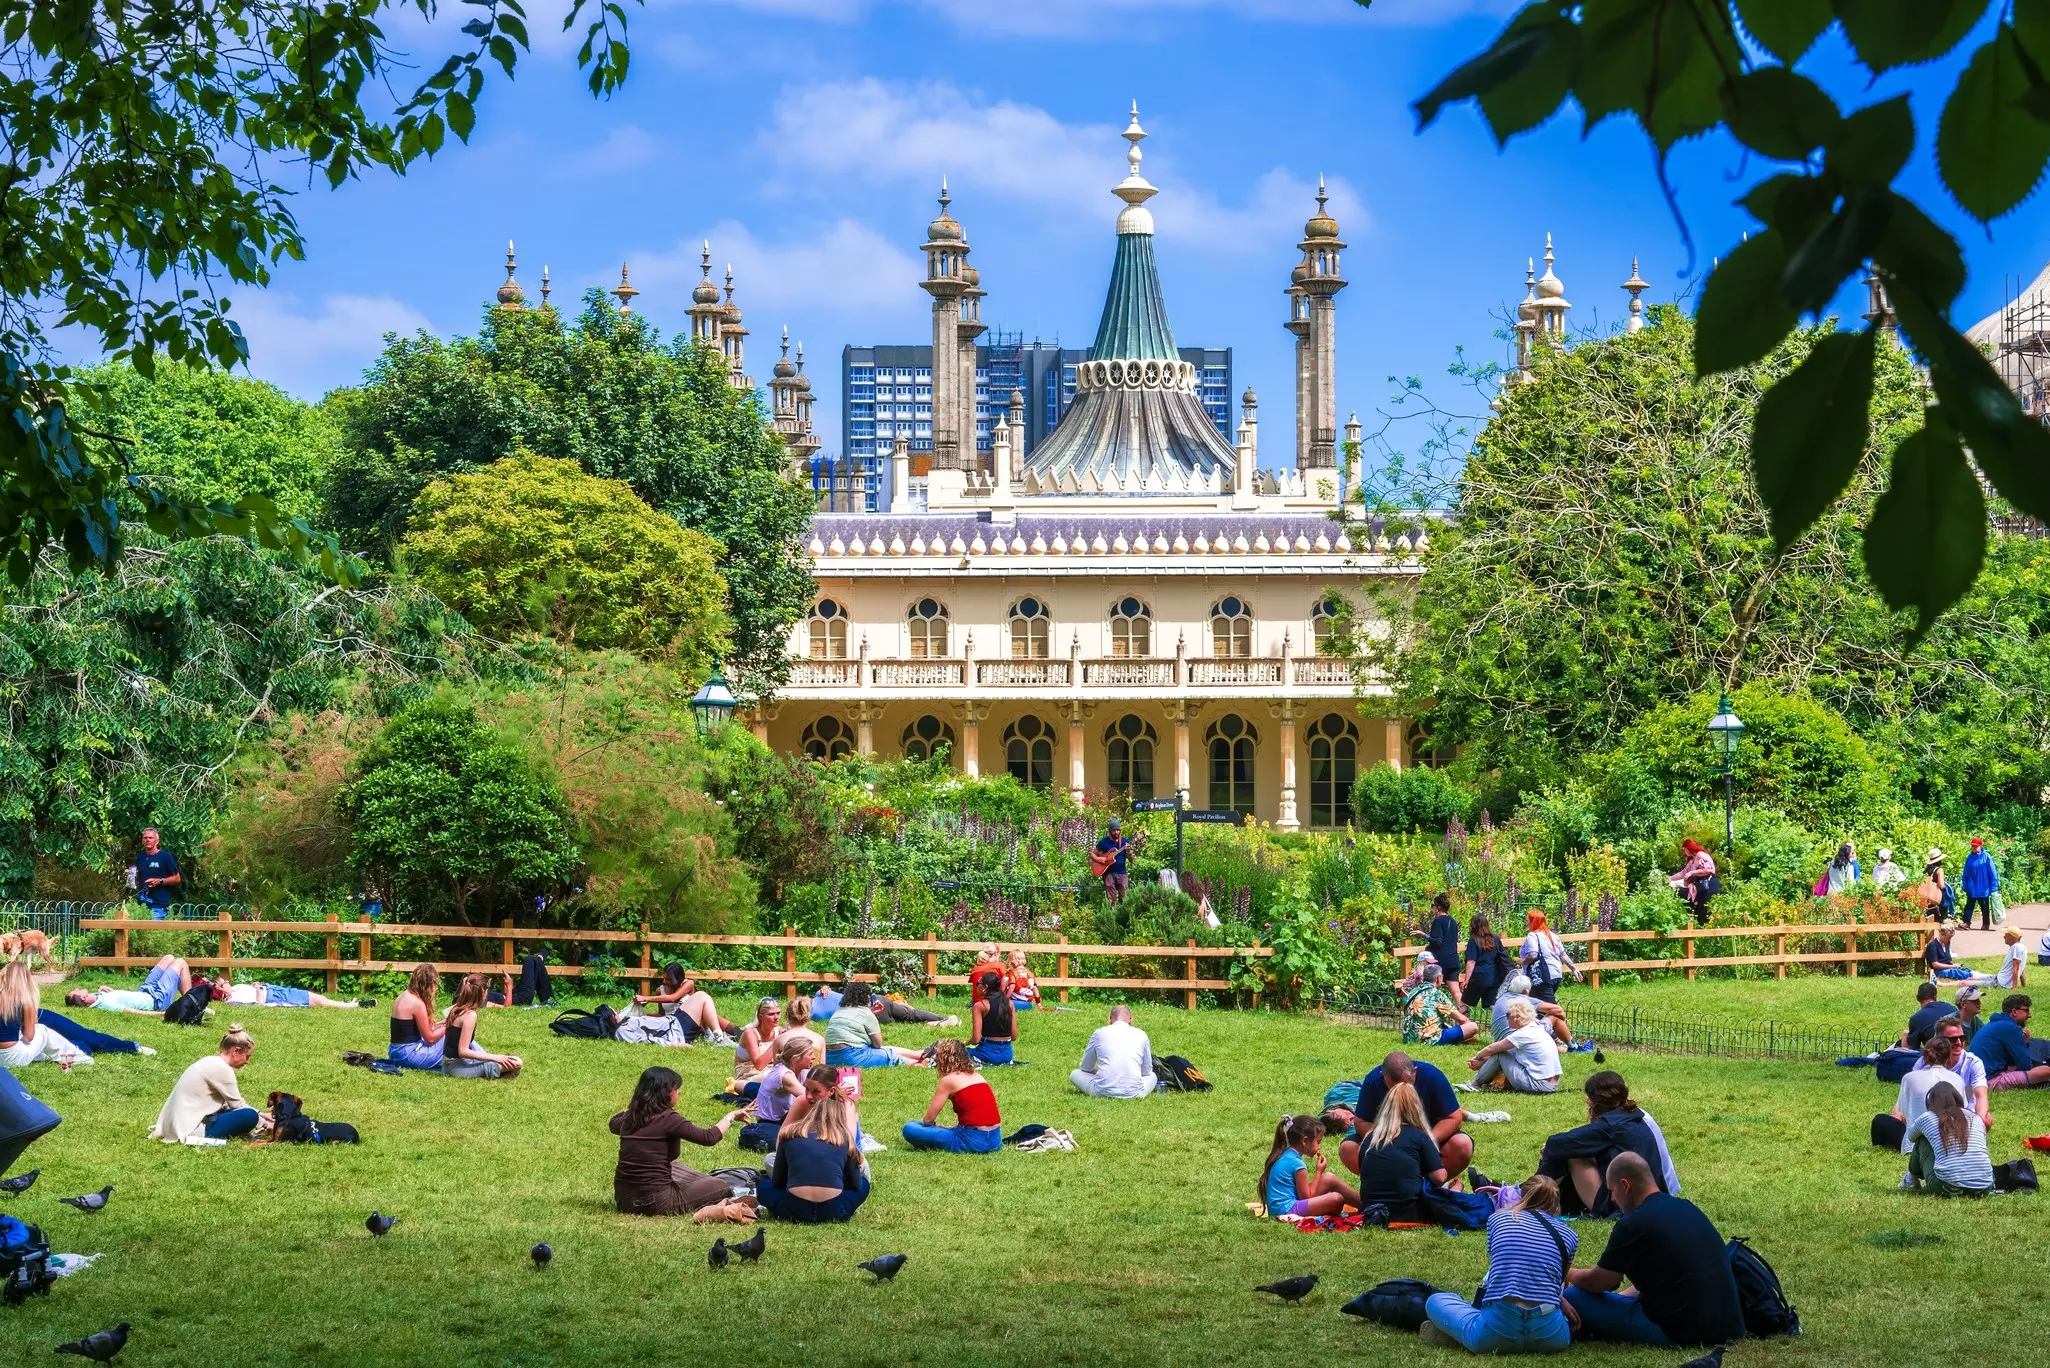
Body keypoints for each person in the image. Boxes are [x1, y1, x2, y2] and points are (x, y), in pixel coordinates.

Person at [1564, 1153, 1745, 1348]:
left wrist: (1567, 1272)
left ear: (1625, 1185)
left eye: (1612, 1191)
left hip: (1683, 1332)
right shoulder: (1686, 1208)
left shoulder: (1633, 1223)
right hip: (1729, 1326)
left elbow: (1600, 1282)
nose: (1613, 1199)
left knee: (1573, 1297)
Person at [1420, 1175, 1577, 1354]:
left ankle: (1462, 1334)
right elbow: (1560, 1285)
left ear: (1521, 1197)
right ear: (1557, 1205)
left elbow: (1502, 1267)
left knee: (1435, 1301)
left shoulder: (1499, 1219)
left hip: (1497, 1330)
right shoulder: (1569, 1235)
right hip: (1552, 1337)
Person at [608, 1065, 754, 1221]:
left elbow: (612, 1124)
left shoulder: (630, 1118)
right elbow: (709, 1137)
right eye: (676, 1089)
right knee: (720, 1186)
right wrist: (730, 1116)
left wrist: (638, 1105)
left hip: (624, 1200)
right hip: (657, 1202)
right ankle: (702, 1186)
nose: (678, 1093)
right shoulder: (669, 1119)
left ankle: (699, 1182)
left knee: (675, 1166)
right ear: (666, 1093)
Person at [1537, 1072, 1675, 1217]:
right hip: (1651, 1196)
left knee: (1570, 1152)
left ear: (1594, 1100)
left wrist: (1549, 1149)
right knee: (1574, 1148)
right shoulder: (1634, 1115)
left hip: (1620, 1203)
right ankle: (1533, 1193)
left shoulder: (1609, 1126)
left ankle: (1529, 1194)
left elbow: (1559, 1143)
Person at [1343, 1051, 1472, 1183]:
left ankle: (1429, 1189)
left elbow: (1454, 1118)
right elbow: (1361, 1122)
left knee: (1462, 1144)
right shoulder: (1373, 1081)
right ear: (1383, 1077)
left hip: (1429, 1139)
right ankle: (1388, 1185)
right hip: (1388, 1143)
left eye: (1408, 1085)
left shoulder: (1433, 1076)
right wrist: (1389, 1140)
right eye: (1395, 1088)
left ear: (1415, 1071)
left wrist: (1426, 1142)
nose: (1403, 1092)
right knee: (1348, 1149)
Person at [760, 1089, 870, 1223]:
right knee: (864, 1184)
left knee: (763, 1185)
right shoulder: (846, 1140)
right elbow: (856, 1185)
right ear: (840, 1117)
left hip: (794, 1208)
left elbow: (777, 1182)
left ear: (812, 1113)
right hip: (834, 1210)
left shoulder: (789, 1135)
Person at [151, 1024, 269, 1144]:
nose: (247, 1062)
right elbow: (237, 1105)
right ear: (236, 1051)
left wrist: (262, 1114)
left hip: (176, 1125)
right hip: (190, 1130)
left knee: (246, 1114)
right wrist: (264, 1123)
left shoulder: (210, 1061)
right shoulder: (222, 1068)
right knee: (249, 1116)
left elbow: (227, 1104)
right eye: (247, 1056)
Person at [1352, 1082, 1448, 1222]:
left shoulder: (1370, 1139)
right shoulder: (1419, 1137)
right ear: (1416, 1108)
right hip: (1409, 1212)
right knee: (1449, 1194)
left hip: (1372, 1210)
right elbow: (1439, 1177)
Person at [902, 1039, 1003, 1153]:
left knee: (910, 1128)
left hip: (972, 1141)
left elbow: (928, 1120)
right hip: (995, 1140)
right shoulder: (977, 1076)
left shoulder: (948, 1080)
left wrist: (936, 1128)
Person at [1875, 1034, 1967, 1159]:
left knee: (1880, 1120)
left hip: (1916, 1143)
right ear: (1949, 1057)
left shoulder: (1909, 1078)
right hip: (1950, 1143)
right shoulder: (1958, 1079)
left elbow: (1903, 1113)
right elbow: (1964, 1112)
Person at [1260, 1113, 1360, 1220]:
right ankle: (1364, 1206)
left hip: (1280, 1208)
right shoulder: (1297, 1164)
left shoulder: (1287, 1154)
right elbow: (1306, 1198)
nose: (1319, 1146)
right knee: (1336, 1198)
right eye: (1318, 1141)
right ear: (1305, 1141)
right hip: (1286, 1210)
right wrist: (1318, 1172)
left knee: (1329, 1178)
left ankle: (1365, 1204)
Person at [1905, 1081, 1994, 1197]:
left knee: (1921, 1138)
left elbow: (1911, 1137)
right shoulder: (1975, 1118)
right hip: (1984, 1188)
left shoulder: (1928, 1118)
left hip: (1946, 1187)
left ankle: (1911, 1180)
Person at [0, 962, 92, 1068]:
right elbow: (28, 1038)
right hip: (14, 1059)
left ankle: (54, 1055)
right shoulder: (25, 1001)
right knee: (42, 1030)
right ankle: (79, 1057)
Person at [823, 982, 928, 1068]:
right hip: (851, 1055)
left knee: (887, 1049)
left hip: (830, 1057)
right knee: (887, 1055)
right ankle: (919, 1064)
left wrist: (871, 1012)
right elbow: (878, 1044)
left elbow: (856, 1018)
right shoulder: (866, 1013)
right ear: (867, 997)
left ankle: (919, 1054)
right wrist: (870, 1014)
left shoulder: (839, 1011)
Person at [1467, 998, 1562, 1094]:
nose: (1506, 1018)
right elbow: (1511, 1054)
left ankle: (1474, 1084)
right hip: (1551, 1086)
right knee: (1504, 1053)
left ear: (1517, 1017)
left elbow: (1491, 1049)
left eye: (1508, 1015)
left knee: (1500, 1055)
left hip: (1538, 1085)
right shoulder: (1537, 1029)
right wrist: (1484, 1061)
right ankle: (1484, 1083)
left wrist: (1477, 1056)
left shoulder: (1522, 1033)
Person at [439, 974, 522, 1079]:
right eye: (487, 990)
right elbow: (463, 1051)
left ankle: (498, 1071)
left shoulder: (456, 1007)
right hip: (455, 1068)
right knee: (517, 1062)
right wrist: (496, 1058)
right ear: (482, 993)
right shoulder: (470, 1015)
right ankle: (494, 1071)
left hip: (448, 1064)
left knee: (510, 1061)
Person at [743, 1035, 815, 1151]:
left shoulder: (802, 1070)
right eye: (810, 1054)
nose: (814, 1057)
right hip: (769, 1123)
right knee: (791, 1143)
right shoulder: (784, 1075)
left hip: (785, 1118)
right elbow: (808, 1097)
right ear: (796, 1059)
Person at [634, 963, 734, 1044]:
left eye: (668, 979)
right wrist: (643, 1014)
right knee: (709, 1012)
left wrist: (646, 998)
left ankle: (735, 1032)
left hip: (692, 1019)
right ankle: (722, 1034)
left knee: (711, 1014)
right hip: (675, 1024)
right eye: (663, 978)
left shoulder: (688, 984)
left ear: (676, 979)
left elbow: (673, 998)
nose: (664, 981)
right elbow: (661, 1014)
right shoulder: (659, 991)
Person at [1070, 1004, 1155, 1098]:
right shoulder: (1141, 1034)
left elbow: (1085, 1067)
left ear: (1109, 1019)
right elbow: (1147, 1071)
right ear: (1131, 1019)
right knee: (1153, 1076)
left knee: (1074, 1073)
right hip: (1135, 1093)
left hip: (1101, 1091)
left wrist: (1098, 1072)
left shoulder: (1099, 1033)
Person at [64, 952, 191, 1015]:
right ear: (83, 997)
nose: (77, 988)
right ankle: (192, 1005)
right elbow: (132, 1011)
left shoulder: (95, 997)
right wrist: (163, 1014)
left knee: (169, 958)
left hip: (145, 990)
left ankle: (190, 1000)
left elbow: (122, 998)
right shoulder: (104, 1005)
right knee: (180, 962)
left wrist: (110, 991)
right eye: (76, 991)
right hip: (157, 1000)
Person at [1969, 993, 2050, 1090]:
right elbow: (2025, 1064)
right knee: (2046, 1071)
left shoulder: (1999, 1023)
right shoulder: (2010, 1028)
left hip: (1981, 1076)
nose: (2029, 1015)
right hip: (1988, 1081)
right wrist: (2026, 1042)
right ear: (2014, 1012)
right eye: (2026, 1010)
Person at [387, 964, 447, 1071]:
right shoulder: (417, 1003)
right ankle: (482, 1058)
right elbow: (430, 1038)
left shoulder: (403, 996)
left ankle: (481, 1056)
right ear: (427, 984)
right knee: (456, 1031)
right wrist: (449, 1026)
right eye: (434, 984)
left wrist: (442, 1023)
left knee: (450, 1029)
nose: (435, 988)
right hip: (408, 1056)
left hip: (395, 1053)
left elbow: (416, 1029)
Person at [1402, 964, 1477, 1046]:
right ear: (1438, 978)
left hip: (1409, 1038)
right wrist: (1468, 1029)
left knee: (1447, 1025)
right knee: (1473, 1026)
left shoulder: (1414, 991)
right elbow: (1462, 1019)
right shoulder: (1436, 994)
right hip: (1429, 1039)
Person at [1493, 974, 1572, 1047]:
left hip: (1501, 1042)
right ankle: (1573, 1046)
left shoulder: (1501, 998)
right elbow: (1558, 1010)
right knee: (1555, 1016)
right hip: (1519, 1039)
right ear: (1526, 991)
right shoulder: (1522, 999)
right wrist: (1563, 1020)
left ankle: (1557, 1045)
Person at [1518, 912, 1579, 1004]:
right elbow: (1563, 955)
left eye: (1528, 921)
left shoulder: (1532, 935)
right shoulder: (1552, 935)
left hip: (1541, 976)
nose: (1527, 924)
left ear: (1533, 922)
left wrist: (1523, 961)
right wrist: (1574, 969)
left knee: (1550, 1009)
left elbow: (1533, 955)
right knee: (1539, 1007)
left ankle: (1560, 1018)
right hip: (1556, 975)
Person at [1460, 912, 1510, 1012]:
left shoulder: (1473, 940)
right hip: (1494, 976)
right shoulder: (1495, 938)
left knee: (1464, 1004)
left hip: (1478, 977)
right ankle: (1504, 1024)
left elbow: (1471, 962)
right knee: (1493, 1005)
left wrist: (1466, 980)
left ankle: (1464, 1026)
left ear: (1473, 925)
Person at [967, 971, 1016, 1067]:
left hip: (986, 1054)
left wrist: (966, 1043)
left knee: (952, 1051)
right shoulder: (1009, 1003)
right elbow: (1014, 1036)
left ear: (985, 987)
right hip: (1007, 1055)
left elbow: (976, 1039)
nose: (976, 986)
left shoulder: (980, 1006)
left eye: (978, 984)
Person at [210, 979, 364, 1009]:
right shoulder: (233, 1001)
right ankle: (351, 1006)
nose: (228, 982)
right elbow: (257, 1004)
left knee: (309, 995)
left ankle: (346, 1004)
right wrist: (257, 991)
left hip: (273, 989)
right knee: (315, 1000)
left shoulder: (236, 987)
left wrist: (256, 985)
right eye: (225, 983)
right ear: (222, 990)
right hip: (273, 997)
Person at [134, 827, 182, 918]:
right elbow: (140, 876)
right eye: (145, 838)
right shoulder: (141, 857)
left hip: (158, 905)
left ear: (157, 841)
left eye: (151, 838)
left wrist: (159, 881)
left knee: (152, 930)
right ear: (142, 841)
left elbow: (177, 878)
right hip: (142, 904)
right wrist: (132, 875)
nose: (148, 840)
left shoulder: (166, 857)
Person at [1426, 893, 1464, 1007]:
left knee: (1432, 990)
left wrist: (1423, 935)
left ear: (1438, 907)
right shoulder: (1452, 921)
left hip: (1440, 961)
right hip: (1453, 959)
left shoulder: (1438, 921)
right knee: (1456, 992)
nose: (1432, 908)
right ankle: (1465, 1017)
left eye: (1433, 905)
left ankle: (1430, 1014)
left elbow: (1437, 941)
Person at [1667, 839, 1718, 925]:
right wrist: (1669, 878)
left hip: (1708, 886)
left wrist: (1692, 873)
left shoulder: (1701, 855)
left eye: (1684, 850)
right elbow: (1682, 874)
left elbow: (1710, 870)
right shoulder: (1691, 861)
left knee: (1705, 911)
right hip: (1699, 888)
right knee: (1698, 909)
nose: (1684, 852)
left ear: (1688, 848)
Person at [733, 998, 780, 1085]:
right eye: (771, 1014)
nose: (776, 1017)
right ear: (760, 1017)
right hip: (747, 1075)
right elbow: (759, 1065)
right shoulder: (750, 1034)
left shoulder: (778, 1031)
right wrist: (777, 1042)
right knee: (776, 1077)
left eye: (778, 1013)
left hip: (770, 1071)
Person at [1961, 837, 2000, 931]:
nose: (1974, 848)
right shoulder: (1969, 858)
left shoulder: (1987, 857)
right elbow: (1965, 872)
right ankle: (1966, 923)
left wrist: (1994, 887)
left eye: (1976, 846)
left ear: (1980, 846)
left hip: (1983, 888)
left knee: (1985, 908)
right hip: (1972, 887)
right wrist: (1965, 884)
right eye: (1972, 846)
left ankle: (1986, 924)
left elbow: (1993, 872)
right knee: (1969, 907)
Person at [1899, 982, 1951, 1050]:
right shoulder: (1952, 1008)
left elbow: (1912, 1049)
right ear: (1935, 996)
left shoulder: (1916, 1018)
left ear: (1918, 998)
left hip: (1935, 1056)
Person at [1095, 817, 1133, 905]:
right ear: (1110, 831)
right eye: (1114, 830)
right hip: (1108, 873)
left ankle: (1122, 916)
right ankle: (1111, 916)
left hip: (1122, 873)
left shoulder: (1125, 842)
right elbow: (1092, 853)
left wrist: (1128, 852)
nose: (1116, 832)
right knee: (1111, 900)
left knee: (1124, 898)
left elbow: (1131, 860)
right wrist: (1098, 859)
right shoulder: (1104, 842)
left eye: (1118, 830)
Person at [1917, 849, 1954, 921]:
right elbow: (1941, 885)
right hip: (1937, 897)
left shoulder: (1926, 870)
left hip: (1927, 897)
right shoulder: (1939, 870)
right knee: (1942, 918)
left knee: (1930, 916)